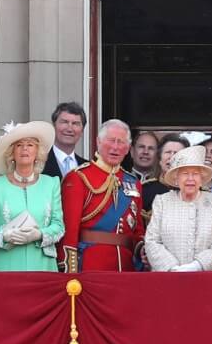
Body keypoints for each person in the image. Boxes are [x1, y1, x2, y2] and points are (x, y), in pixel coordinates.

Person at [59, 119, 146, 271]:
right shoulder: (79, 177)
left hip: (126, 266)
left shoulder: (133, 182)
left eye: (121, 142)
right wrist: (68, 267)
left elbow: (137, 230)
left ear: (128, 149)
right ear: (98, 142)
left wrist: (142, 249)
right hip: (90, 263)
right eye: (111, 141)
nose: (116, 147)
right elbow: (69, 229)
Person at [0, 121, 65, 272]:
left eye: (30, 145)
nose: (24, 148)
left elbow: (59, 226)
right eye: (19, 145)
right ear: (11, 153)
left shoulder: (52, 184)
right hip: (4, 265)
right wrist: (4, 235)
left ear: (38, 152)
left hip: (42, 265)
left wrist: (39, 234)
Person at [144, 145, 212, 271]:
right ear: (176, 178)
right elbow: (152, 241)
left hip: (206, 279)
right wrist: (172, 268)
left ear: (202, 179)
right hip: (168, 278)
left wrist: (197, 266)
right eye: (185, 173)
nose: (190, 179)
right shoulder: (162, 201)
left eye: (195, 174)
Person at [139, 133, 189, 215]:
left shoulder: (198, 191)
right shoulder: (144, 190)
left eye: (177, 153)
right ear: (160, 160)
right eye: (168, 152)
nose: (172, 157)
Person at [44, 102, 88, 179]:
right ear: (54, 126)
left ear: (82, 131)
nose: (69, 129)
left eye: (75, 123)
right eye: (64, 122)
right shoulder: (38, 163)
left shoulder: (88, 167)